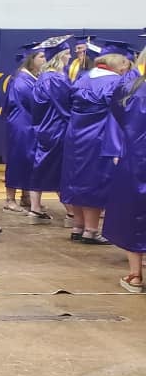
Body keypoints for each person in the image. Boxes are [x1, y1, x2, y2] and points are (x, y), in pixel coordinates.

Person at [61, 41, 135, 244]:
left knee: (75, 179)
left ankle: (78, 226)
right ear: (120, 64)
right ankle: (92, 230)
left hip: (75, 135)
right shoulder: (115, 83)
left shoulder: (83, 78)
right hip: (99, 136)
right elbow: (123, 112)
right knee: (94, 181)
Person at [103, 69, 146, 292]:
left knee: (134, 213)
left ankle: (136, 275)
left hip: (136, 158)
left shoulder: (131, 88)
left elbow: (118, 117)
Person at [28, 37, 73, 225]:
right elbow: (64, 106)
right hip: (57, 129)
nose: (70, 57)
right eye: (68, 53)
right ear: (60, 56)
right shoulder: (55, 78)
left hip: (44, 128)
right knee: (61, 171)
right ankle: (72, 213)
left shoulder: (43, 77)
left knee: (40, 166)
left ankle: (35, 209)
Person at [2, 44, 43, 213]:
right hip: (21, 125)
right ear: (31, 60)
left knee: (28, 160)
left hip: (28, 124)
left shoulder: (31, 78)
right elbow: (34, 102)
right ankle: (10, 200)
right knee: (17, 160)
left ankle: (25, 196)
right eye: (41, 56)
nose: (45, 60)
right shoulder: (21, 80)